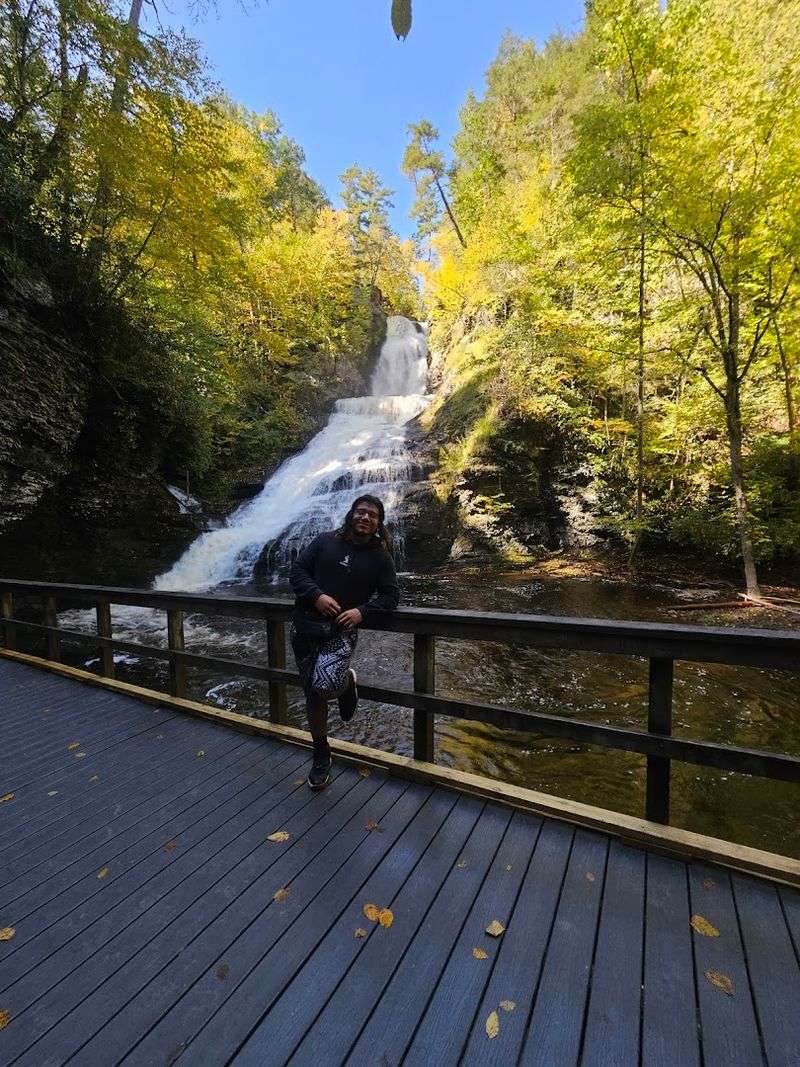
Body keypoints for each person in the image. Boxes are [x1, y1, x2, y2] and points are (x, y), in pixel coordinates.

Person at [289, 494, 400, 789]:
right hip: (305, 627)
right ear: (351, 515)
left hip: (340, 632)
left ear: (379, 523)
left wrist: (362, 611)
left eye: (372, 515)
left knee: (324, 687)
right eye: (361, 512)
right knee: (313, 694)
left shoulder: (380, 557)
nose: (365, 517)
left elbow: (391, 596)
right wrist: (317, 595)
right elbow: (297, 571)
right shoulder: (325, 541)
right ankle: (321, 753)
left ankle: (346, 683)